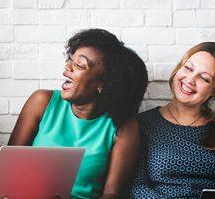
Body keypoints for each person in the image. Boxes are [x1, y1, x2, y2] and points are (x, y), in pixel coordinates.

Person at [8, 29, 148, 198]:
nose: (67, 68)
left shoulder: (123, 126)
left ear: (104, 83)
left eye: (79, 65)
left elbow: (112, 194)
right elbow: (8, 169)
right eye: (70, 60)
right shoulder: (42, 102)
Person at [131, 42, 215, 198]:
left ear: (212, 91)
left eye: (204, 78)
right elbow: (137, 186)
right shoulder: (142, 124)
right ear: (178, 69)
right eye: (188, 68)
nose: (190, 79)